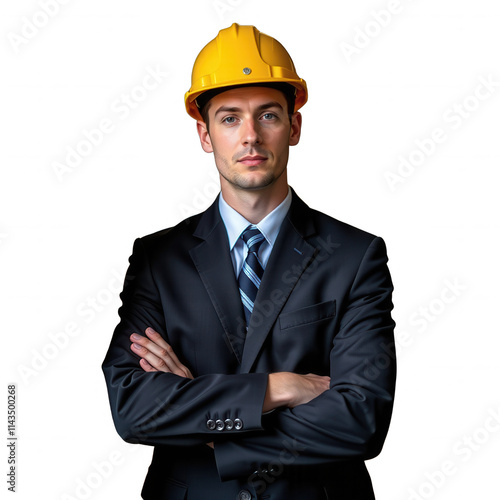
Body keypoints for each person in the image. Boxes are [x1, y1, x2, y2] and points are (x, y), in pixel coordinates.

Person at [102, 23, 396, 500]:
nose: (251, 137)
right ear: (205, 133)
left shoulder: (355, 256)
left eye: (269, 116)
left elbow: (360, 420)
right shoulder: (159, 260)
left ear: (294, 126)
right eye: (230, 118)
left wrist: (215, 429)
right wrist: (276, 388)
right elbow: (134, 408)